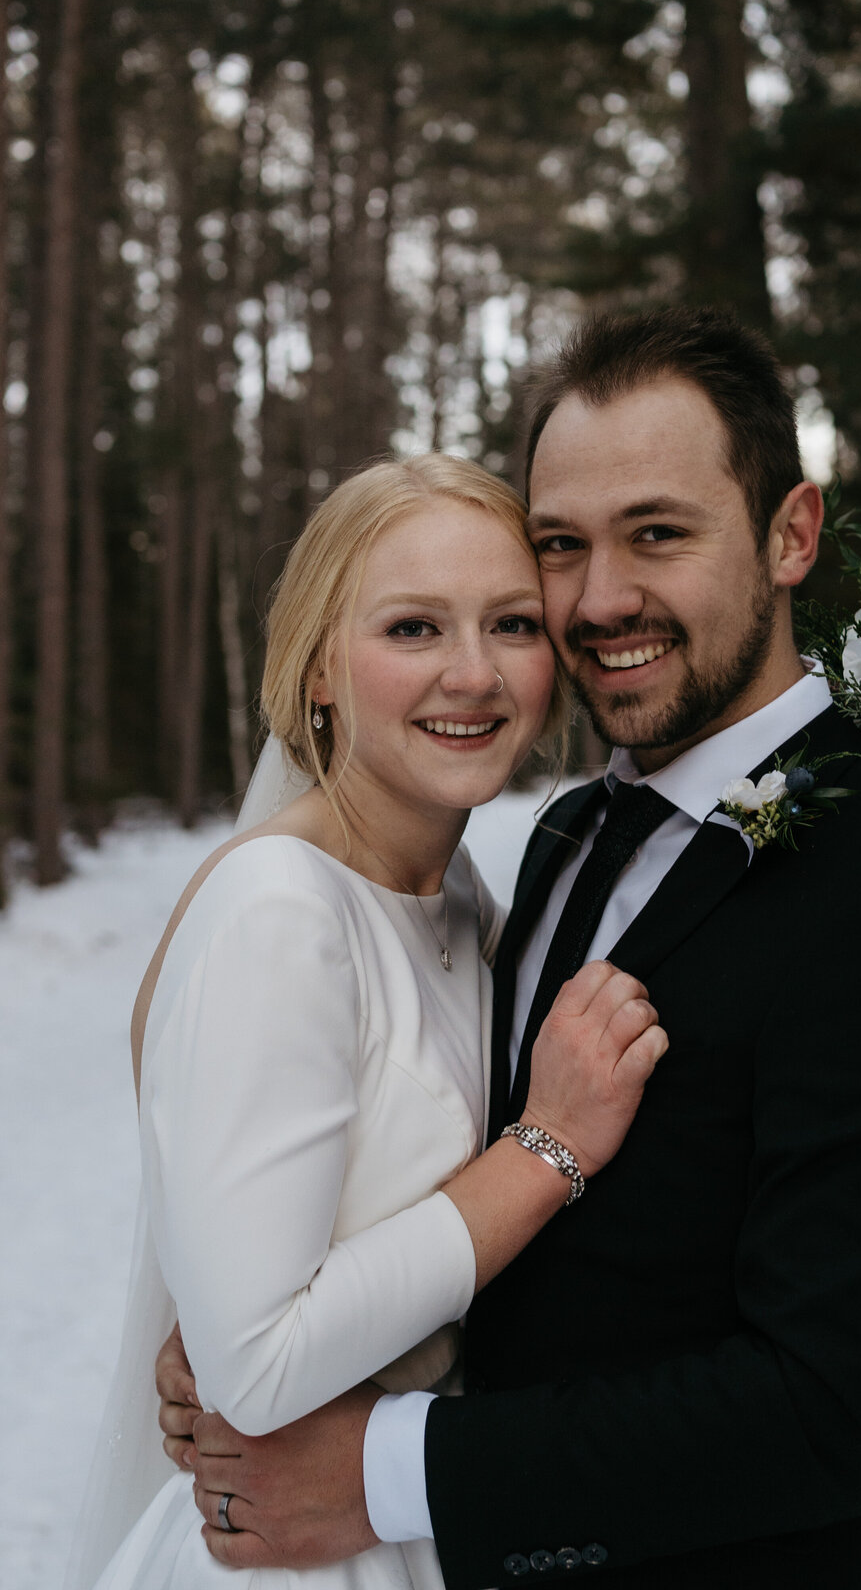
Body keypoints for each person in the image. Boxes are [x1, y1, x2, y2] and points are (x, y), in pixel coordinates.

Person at [164, 308, 861, 1589]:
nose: (600, 600)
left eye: (659, 535)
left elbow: (823, 1416)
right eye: (561, 547)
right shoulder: (569, 830)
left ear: (791, 534)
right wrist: (249, 1315)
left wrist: (372, 1467)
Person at [66, 453, 667, 1590]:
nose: (473, 674)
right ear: (319, 672)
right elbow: (257, 1364)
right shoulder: (279, 911)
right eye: (413, 629)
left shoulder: (460, 900)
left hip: (410, 1522)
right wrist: (548, 1148)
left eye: (510, 625)